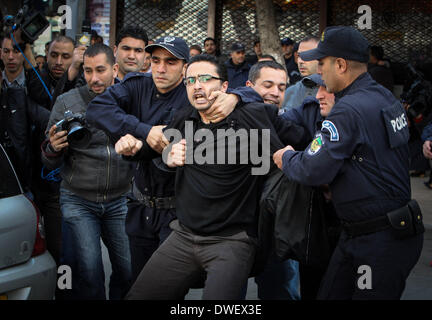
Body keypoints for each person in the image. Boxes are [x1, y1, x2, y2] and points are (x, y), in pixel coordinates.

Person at [119, 54, 308, 300]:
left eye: (206, 79)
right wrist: (132, 147)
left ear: (225, 87)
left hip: (232, 241)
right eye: (191, 80)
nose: (197, 85)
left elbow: (301, 137)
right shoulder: (184, 118)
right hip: (183, 236)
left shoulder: (252, 117)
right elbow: (155, 147)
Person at [86, 38, 254, 285]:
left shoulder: (193, 93)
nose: (161, 69)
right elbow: (97, 109)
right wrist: (143, 130)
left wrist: (236, 97)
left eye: (171, 62)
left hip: (179, 213)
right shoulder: (136, 85)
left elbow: (256, 96)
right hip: (141, 206)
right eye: (155, 60)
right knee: (137, 284)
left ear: (185, 67)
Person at [273, 26, 424, 300]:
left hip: (378, 240)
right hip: (367, 233)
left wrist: (286, 157)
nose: (318, 69)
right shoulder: (382, 95)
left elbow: (311, 168)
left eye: (322, 63)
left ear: (340, 65)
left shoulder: (348, 109)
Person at [41, 44, 134, 300]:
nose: (94, 78)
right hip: (78, 200)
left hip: (121, 199)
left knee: (128, 271)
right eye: (88, 70)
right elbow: (48, 160)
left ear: (114, 69)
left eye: (101, 70)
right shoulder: (66, 102)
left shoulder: (129, 99)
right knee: (90, 274)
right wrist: (52, 148)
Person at [245, 61, 300, 300]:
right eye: (267, 85)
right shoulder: (227, 124)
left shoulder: (290, 127)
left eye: (281, 86)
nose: (275, 93)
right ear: (248, 86)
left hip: (277, 232)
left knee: (280, 290)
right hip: (236, 230)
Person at [282, 36, 320, 111]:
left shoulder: (335, 91)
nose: (301, 61)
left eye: (308, 55)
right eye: (299, 56)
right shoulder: (290, 92)